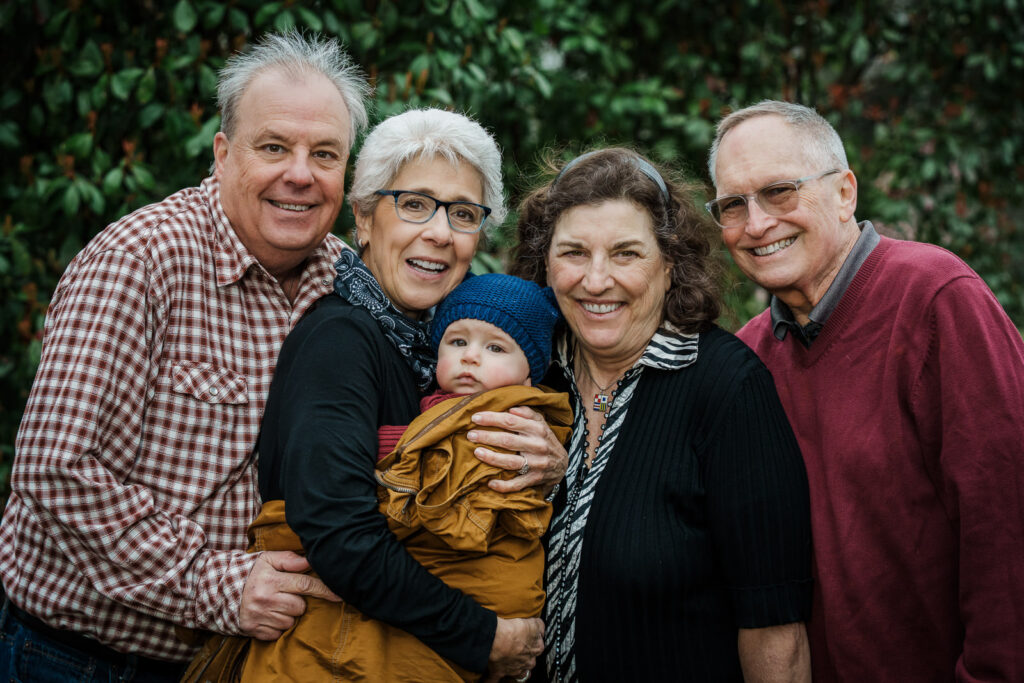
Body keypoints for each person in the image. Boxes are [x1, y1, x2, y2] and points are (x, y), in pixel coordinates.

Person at [0, 31, 369, 680]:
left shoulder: (349, 283)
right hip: (83, 661)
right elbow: (54, 469)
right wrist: (213, 581)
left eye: (326, 154)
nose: (301, 174)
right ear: (223, 153)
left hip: (243, 664)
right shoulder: (139, 260)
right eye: (275, 147)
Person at [707, 100, 1024, 681]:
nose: (756, 224)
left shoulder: (936, 299)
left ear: (845, 192)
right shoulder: (747, 358)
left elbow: (1005, 527)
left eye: (779, 192)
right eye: (733, 205)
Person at [249, 109, 569, 682]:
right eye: (415, 204)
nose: (441, 233)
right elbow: (342, 536)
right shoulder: (342, 340)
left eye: (463, 214)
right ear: (364, 219)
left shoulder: (457, 350)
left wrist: (547, 459)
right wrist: (482, 636)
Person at [511, 148, 813, 682]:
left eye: (626, 253)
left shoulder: (728, 389)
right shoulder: (525, 374)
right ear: (544, 263)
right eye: (574, 252)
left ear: (670, 264)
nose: (596, 280)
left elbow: (774, 631)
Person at [224, 273, 572, 681]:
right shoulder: (373, 352)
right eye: (457, 342)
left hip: (472, 579)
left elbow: (443, 489)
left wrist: (383, 444)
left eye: (495, 348)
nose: (471, 357)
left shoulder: (501, 415)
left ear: (529, 373)